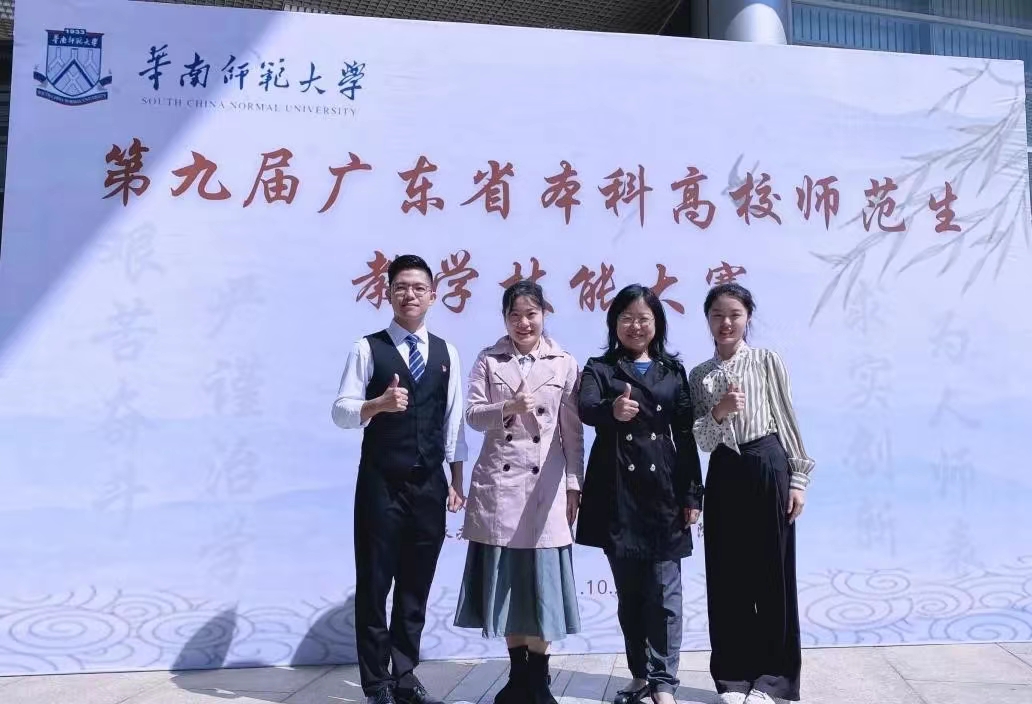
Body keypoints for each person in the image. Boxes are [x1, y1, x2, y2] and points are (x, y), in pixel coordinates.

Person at [332, 254, 468, 704]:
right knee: (375, 584)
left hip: (429, 484)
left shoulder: (447, 352)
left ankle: (405, 674)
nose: (410, 294)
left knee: (416, 584)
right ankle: (377, 684)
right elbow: (341, 411)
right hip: (381, 484)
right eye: (401, 287)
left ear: (433, 295)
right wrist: (378, 405)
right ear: (387, 293)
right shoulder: (367, 348)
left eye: (418, 287)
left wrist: (456, 479)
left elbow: (453, 423)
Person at [454, 280, 585, 704]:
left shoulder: (564, 362)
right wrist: (507, 408)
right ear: (505, 319)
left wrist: (574, 484)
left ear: (544, 314)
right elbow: (473, 416)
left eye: (531, 314)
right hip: (502, 484)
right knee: (509, 582)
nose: (524, 323)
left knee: (543, 584)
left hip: (547, 485)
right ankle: (518, 677)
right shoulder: (489, 359)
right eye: (515, 315)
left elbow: (572, 433)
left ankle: (539, 679)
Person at [575, 284, 703, 704]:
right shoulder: (600, 368)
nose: (635, 326)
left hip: (664, 489)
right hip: (617, 491)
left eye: (643, 318)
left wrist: (692, 494)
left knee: (665, 593)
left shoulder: (672, 371)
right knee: (630, 594)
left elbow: (685, 434)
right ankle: (640, 674)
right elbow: (585, 408)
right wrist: (611, 411)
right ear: (614, 323)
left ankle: (664, 682)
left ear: (656, 324)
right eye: (626, 318)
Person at [688, 283, 813, 704]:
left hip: (767, 464)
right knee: (727, 577)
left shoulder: (766, 361)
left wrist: (798, 478)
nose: (726, 323)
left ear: (747, 318)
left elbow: (787, 418)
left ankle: (773, 680)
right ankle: (733, 678)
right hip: (724, 471)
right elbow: (702, 438)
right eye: (717, 315)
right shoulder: (700, 375)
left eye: (734, 314)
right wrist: (719, 411)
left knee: (772, 575)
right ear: (707, 319)